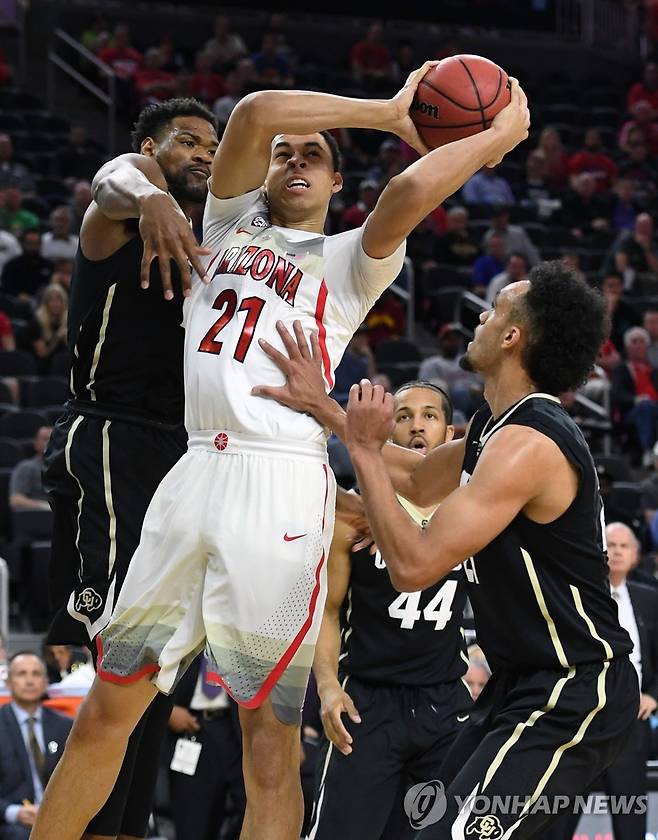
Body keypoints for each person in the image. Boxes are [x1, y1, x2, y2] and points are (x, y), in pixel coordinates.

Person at [31, 69, 531, 840]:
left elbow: (404, 197)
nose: (296, 160)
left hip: (280, 489)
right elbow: (258, 112)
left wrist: (493, 137)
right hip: (191, 474)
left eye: (315, 156)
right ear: (261, 170)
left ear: (335, 180)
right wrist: (387, 114)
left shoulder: (348, 262)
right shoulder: (224, 223)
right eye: (284, 154)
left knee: (269, 744)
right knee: (107, 709)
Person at [255, 260, 639, 839]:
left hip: (572, 686)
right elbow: (412, 478)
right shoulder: (493, 427)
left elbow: (413, 565)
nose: (480, 316)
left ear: (512, 337)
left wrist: (361, 451)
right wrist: (323, 408)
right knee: (428, 828)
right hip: (520, 685)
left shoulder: (526, 444)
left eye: (495, 309)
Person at [40, 97, 221, 840]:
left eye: (214, 144)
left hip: (183, 452)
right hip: (114, 436)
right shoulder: (123, 206)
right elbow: (113, 177)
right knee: (125, 660)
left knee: (154, 679)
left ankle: (120, 830)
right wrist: (150, 190)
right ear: (153, 145)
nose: (205, 153)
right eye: (188, 141)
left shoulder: (216, 230)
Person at [306, 381, 471, 839]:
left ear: (450, 433)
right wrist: (326, 687)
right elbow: (329, 611)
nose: (417, 424)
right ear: (384, 429)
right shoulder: (352, 516)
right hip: (367, 703)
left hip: (445, 706)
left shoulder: (473, 511)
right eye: (403, 415)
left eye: (429, 415)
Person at [547, 522, 658, 840]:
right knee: (559, 819)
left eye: (625, 545)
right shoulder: (576, 596)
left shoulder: (650, 600)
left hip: (629, 721)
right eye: (611, 544)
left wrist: (652, 695)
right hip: (579, 723)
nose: (618, 551)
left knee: (631, 818)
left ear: (636, 555)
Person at [166, 653, 245, 840]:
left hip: (236, 728)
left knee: (255, 809)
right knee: (193, 823)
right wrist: (167, 710)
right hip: (191, 727)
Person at [0, 653, 72, 840]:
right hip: (12, 824)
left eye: (36, 674)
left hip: (62, 818)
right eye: (22, 674)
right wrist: (12, 812)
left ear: (46, 682)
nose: (30, 680)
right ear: (8, 683)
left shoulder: (66, 726)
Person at [1, 230, 53, 302]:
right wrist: (19, 295)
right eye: (29, 243)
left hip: (44, 303)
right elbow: (7, 289)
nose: (33, 247)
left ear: (40, 244)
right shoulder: (11, 266)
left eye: (36, 244)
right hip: (16, 304)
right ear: (22, 244)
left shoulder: (49, 265)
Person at [9, 426, 52, 512]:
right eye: (45, 439)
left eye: (54, 440)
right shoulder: (26, 467)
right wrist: (45, 507)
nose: (50, 443)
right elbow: (16, 500)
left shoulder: (67, 468)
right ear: (36, 444)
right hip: (36, 517)